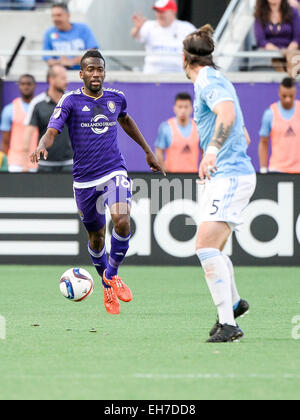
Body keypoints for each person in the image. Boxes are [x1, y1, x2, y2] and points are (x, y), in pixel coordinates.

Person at [30, 49, 165, 315]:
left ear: (104, 72)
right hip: (83, 179)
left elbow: (125, 120)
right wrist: (42, 144)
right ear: (81, 74)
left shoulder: (116, 98)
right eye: (90, 70)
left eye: (99, 69)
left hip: (114, 170)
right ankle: (106, 286)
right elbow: (52, 130)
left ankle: (111, 275)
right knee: (96, 236)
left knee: (122, 219)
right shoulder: (70, 101)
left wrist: (148, 151)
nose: (95, 74)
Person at [183, 25, 256, 343]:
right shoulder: (216, 80)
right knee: (213, 247)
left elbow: (226, 115)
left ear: (184, 58)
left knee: (205, 247)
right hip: (228, 174)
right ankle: (235, 305)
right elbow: (244, 134)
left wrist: (212, 151)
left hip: (228, 175)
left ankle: (229, 325)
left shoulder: (208, 81)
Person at [24, 64, 73, 173]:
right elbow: (27, 135)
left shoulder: (72, 100)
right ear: (52, 80)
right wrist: (25, 165)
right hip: (45, 164)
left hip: (70, 162)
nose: (67, 81)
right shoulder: (37, 103)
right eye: (63, 78)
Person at [131, 0, 196, 74]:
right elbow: (136, 36)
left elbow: (199, 47)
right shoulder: (148, 25)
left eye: (162, 11)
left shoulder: (187, 27)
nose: (159, 14)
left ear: (173, 12)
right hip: (152, 75)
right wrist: (138, 28)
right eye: (157, 11)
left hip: (178, 76)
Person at [259, 77, 300, 173]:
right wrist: (263, 168)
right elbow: (263, 142)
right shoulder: (270, 113)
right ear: (279, 93)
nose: (288, 100)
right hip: (277, 170)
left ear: (295, 93)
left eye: (291, 96)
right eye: (284, 96)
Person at [43, 3, 99, 70]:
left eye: (59, 15)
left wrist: (72, 62)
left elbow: (92, 51)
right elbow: (47, 58)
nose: (55, 19)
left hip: (84, 70)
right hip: (60, 72)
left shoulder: (83, 28)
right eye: (53, 16)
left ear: (68, 15)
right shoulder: (49, 33)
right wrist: (60, 63)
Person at [0, 74, 38, 172]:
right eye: (23, 84)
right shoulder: (9, 109)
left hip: (37, 162)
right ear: (19, 86)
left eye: (29, 84)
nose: (26, 87)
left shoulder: (41, 108)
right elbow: (5, 141)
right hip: (15, 162)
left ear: (34, 85)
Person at [155, 92, 200, 173]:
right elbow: (159, 151)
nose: (183, 110)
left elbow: (204, 150)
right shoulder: (166, 127)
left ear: (191, 109)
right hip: (173, 179)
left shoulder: (198, 127)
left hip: (193, 177)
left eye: (186, 107)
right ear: (174, 108)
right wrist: (165, 172)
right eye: (180, 107)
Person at [254, 0, 300, 76]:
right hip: (269, 55)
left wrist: (288, 51)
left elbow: (297, 38)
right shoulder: (260, 14)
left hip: (291, 52)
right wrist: (279, 52)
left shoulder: (292, 12)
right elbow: (261, 41)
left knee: (293, 59)